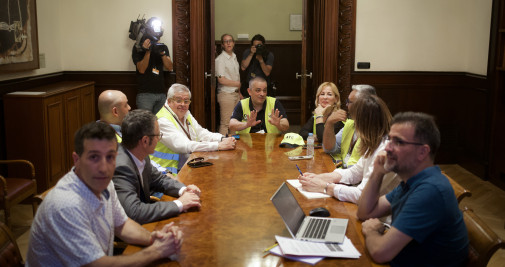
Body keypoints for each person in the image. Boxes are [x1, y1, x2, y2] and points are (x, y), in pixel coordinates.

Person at [26, 122, 183, 266]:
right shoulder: (65, 205)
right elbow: (97, 265)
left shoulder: (105, 184)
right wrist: (157, 250)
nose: (103, 168)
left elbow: (122, 225)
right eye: (94, 157)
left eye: (110, 157)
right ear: (76, 159)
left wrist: (154, 238)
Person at [357, 112, 468, 266]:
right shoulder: (410, 181)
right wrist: (377, 172)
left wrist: (371, 231)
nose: (387, 148)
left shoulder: (430, 190)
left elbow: (380, 253)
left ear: (422, 152)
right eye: (389, 139)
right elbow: (365, 212)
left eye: (398, 142)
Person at [299, 95, 399, 204]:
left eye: (356, 121)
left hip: (382, 218)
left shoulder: (388, 152)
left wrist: (325, 187)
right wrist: (320, 177)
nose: (354, 125)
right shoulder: (375, 143)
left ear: (365, 124)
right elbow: (354, 173)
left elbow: (362, 195)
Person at [113, 110, 202, 224]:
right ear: (145, 140)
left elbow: (159, 179)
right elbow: (134, 212)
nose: (158, 140)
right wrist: (179, 203)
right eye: (158, 136)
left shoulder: (140, 154)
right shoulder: (121, 167)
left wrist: (184, 190)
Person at [150, 84, 236, 174]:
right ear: (169, 101)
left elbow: (201, 133)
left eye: (186, 101)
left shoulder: (186, 113)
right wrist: (218, 146)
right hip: (166, 174)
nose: (183, 104)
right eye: (178, 100)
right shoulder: (163, 120)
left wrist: (222, 138)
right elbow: (184, 146)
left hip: (186, 166)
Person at [322, 84, 377, 168]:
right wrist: (329, 123)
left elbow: (363, 170)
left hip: (357, 178)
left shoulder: (376, 131)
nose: (346, 105)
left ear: (362, 105)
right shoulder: (350, 124)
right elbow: (329, 148)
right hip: (346, 174)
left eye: (349, 102)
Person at [132, 17, 174, 114]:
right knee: (146, 125)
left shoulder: (163, 47)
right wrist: (148, 51)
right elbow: (141, 69)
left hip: (161, 93)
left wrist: (162, 53)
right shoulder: (138, 47)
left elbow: (170, 67)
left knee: (160, 124)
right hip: (145, 94)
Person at [216, 33, 242, 135]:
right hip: (226, 94)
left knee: (234, 123)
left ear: (233, 43)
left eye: (230, 41)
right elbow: (221, 80)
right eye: (226, 41)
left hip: (235, 94)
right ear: (222, 45)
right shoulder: (220, 59)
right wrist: (237, 84)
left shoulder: (234, 57)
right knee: (225, 123)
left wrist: (239, 92)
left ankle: (233, 146)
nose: (228, 43)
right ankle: (221, 146)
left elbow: (236, 76)